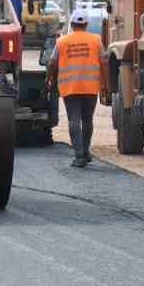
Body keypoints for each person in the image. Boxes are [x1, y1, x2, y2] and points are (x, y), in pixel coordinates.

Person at [48, 9, 108, 168]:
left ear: (72, 24)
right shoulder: (96, 40)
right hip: (90, 88)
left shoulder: (61, 41)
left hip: (70, 87)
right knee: (87, 119)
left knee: (74, 119)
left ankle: (79, 155)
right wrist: (105, 84)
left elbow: (52, 63)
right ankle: (86, 152)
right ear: (86, 24)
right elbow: (104, 62)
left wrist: (49, 79)